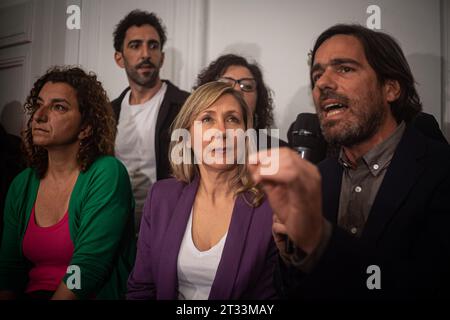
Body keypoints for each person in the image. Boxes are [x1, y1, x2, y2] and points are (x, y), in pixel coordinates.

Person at [249, 24, 450, 299]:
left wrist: (319, 239)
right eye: (317, 74)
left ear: (390, 88)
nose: (322, 83)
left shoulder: (440, 170)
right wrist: (292, 257)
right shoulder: (319, 177)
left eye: (344, 68)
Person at [127, 82, 277, 300]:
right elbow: (141, 289)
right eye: (207, 119)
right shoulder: (161, 197)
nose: (221, 131)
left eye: (232, 119)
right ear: (186, 135)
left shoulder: (269, 205)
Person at [0, 66, 136, 300]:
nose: (39, 116)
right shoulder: (22, 183)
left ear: (86, 128)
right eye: (38, 105)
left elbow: (87, 268)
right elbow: (9, 270)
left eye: (58, 107)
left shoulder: (107, 173)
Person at [112, 10, 189, 231]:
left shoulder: (186, 106)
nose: (146, 53)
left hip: (169, 227)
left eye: (153, 46)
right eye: (135, 45)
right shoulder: (106, 114)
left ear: (162, 57)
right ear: (119, 58)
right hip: (117, 229)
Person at [195, 54, 288, 149]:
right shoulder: (187, 146)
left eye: (247, 86)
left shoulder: (278, 151)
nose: (237, 89)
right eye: (226, 83)